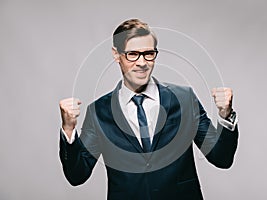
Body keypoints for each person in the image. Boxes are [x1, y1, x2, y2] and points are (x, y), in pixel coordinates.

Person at [59, 19, 239, 200]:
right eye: (133, 54)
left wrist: (225, 115)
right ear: (116, 55)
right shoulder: (99, 112)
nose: (142, 63)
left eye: (148, 54)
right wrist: (68, 129)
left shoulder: (185, 99)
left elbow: (221, 158)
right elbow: (77, 176)